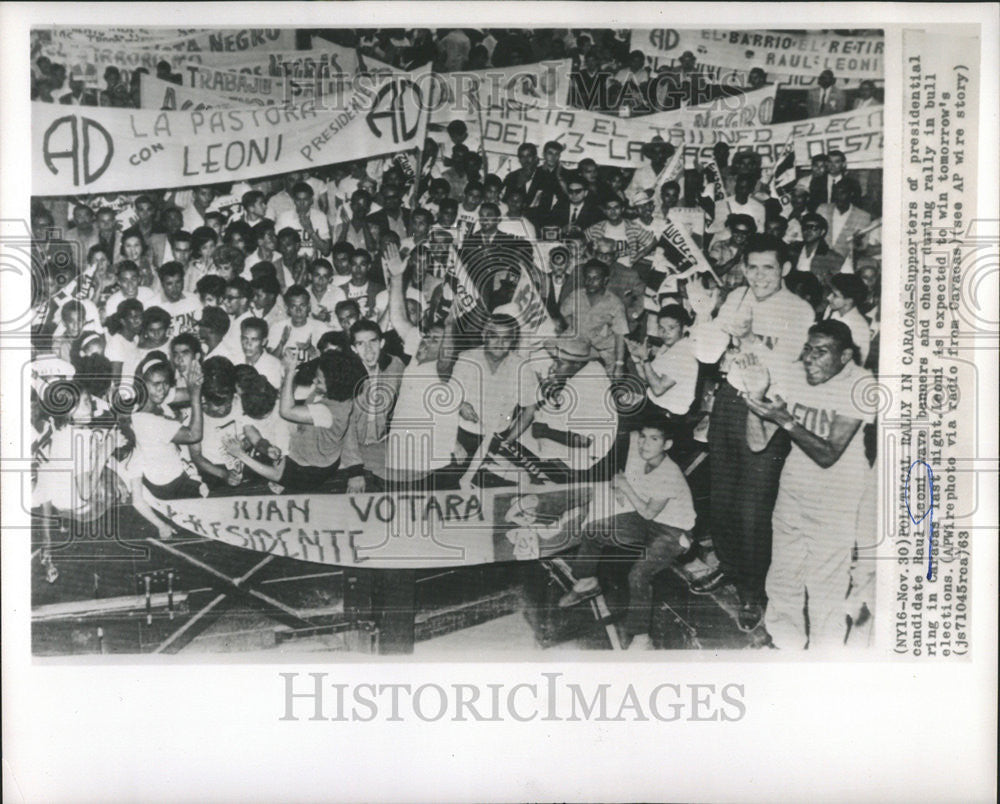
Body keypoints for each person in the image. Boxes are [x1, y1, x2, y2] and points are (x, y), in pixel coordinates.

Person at [691, 234, 816, 632]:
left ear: (785, 270)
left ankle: (752, 592)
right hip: (730, 400)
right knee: (722, 498)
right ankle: (729, 567)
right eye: (753, 267)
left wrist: (743, 337)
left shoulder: (799, 310)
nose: (759, 276)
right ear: (744, 267)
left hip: (768, 407)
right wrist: (705, 315)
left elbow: (789, 370)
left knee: (754, 511)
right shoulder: (736, 297)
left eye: (768, 268)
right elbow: (708, 355)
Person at [742, 320, 874, 650]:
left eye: (821, 352)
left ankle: (824, 660)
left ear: (845, 356)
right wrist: (754, 400)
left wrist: (785, 419)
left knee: (825, 586)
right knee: (783, 576)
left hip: (835, 497)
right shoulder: (795, 374)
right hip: (794, 489)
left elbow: (829, 453)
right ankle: (786, 645)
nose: (810, 358)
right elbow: (757, 443)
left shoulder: (860, 382)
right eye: (808, 349)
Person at [558, 421, 696, 650]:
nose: (645, 443)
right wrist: (618, 485)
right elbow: (625, 478)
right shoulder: (643, 456)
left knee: (638, 576)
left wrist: (625, 488)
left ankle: (642, 637)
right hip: (648, 520)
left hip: (674, 532)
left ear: (667, 444)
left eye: (654, 439)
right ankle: (587, 581)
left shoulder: (670, 473)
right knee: (594, 530)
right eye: (643, 436)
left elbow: (649, 511)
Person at [223, 349, 366, 493]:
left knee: (268, 466)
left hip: (309, 472)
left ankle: (288, 482)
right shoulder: (341, 395)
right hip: (314, 452)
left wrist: (289, 371)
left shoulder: (327, 412)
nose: (314, 381)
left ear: (334, 385)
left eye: (320, 381)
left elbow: (286, 411)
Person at [129, 356, 205, 500]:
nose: (161, 389)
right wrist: (195, 395)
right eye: (156, 384)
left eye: (165, 383)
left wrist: (195, 384)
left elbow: (184, 393)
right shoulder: (147, 421)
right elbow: (194, 435)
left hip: (174, 475)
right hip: (169, 486)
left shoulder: (151, 398)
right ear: (143, 384)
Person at [342, 319, 405, 491]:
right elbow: (345, 426)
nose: (368, 350)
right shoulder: (345, 373)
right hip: (349, 449)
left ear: (382, 343)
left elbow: (411, 400)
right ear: (354, 349)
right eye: (361, 344)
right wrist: (355, 470)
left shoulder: (395, 366)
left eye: (373, 342)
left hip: (381, 443)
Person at [561, 259, 628, 378]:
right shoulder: (576, 295)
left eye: (596, 278)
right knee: (558, 369)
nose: (590, 282)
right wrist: (574, 327)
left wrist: (619, 364)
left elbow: (620, 335)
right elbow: (564, 313)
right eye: (587, 277)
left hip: (602, 350)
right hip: (578, 345)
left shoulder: (615, 303)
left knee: (612, 382)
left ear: (605, 280)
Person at [629, 304, 699, 418]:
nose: (665, 333)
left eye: (671, 328)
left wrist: (645, 359)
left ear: (684, 328)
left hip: (669, 416)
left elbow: (658, 389)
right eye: (661, 328)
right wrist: (637, 358)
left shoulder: (683, 354)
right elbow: (648, 379)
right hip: (655, 406)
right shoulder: (668, 347)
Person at [585, 194, 655, 267]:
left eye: (616, 208)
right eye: (609, 208)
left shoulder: (632, 226)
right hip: (602, 268)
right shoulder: (597, 227)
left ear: (622, 209)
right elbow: (581, 240)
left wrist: (636, 258)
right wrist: (590, 258)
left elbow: (652, 242)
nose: (613, 211)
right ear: (605, 211)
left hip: (625, 268)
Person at [787, 213, 845, 291]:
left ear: (822, 232)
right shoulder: (792, 251)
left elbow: (837, 286)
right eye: (805, 227)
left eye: (813, 228)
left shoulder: (833, 258)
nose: (808, 231)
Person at [275, 181, 332, 259]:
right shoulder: (284, 217)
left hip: (314, 264)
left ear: (311, 200)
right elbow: (277, 247)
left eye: (305, 199)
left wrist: (309, 229)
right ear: (294, 200)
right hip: (292, 264)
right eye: (298, 200)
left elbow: (326, 251)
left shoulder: (320, 217)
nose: (302, 203)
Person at [825, 273, 872, 365]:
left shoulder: (858, 325)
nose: (828, 297)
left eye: (835, 295)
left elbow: (858, 361)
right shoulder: (833, 314)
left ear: (849, 300)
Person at [818, 181, 872, 257]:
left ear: (851, 194)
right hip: (820, 259)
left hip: (845, 262)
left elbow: (862, 247)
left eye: (842, 193)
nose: (838, 196)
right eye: (836, 193)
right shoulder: (822, 209)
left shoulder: (863, 216)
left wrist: (857, 241)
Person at [155, 261, 201, 336]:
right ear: (162, 284)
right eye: (169, 284)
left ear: (183, 281)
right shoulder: (152, 305)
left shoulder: (193, 299)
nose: (175, 288)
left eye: (178, 282)